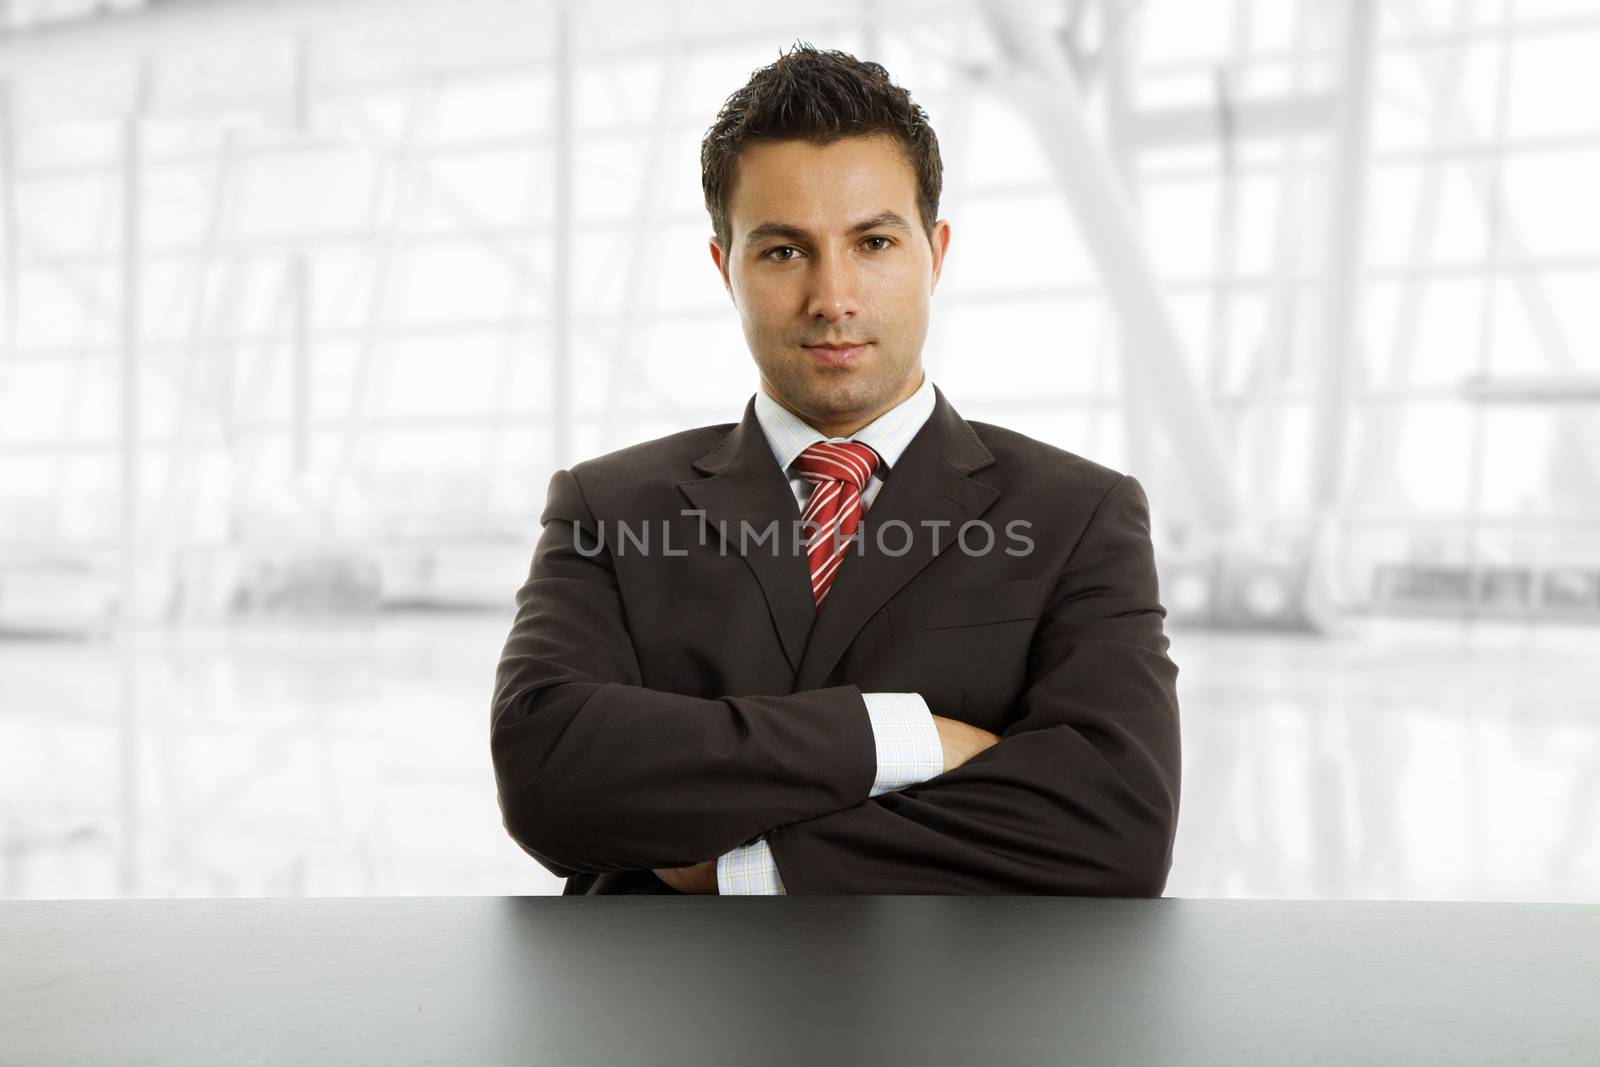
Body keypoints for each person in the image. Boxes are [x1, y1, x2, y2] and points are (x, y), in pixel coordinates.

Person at [490, 44, 1180, 895]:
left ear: (936, 252)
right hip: (667, 1014)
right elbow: (547, 770)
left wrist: (750, 868)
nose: (834, 298)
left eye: (874, 242)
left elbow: (1113, 827)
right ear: (724, 267)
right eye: (784, 252)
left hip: (947, 1021)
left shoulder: (1080, 514)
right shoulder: (609, 505)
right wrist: (901, 736)